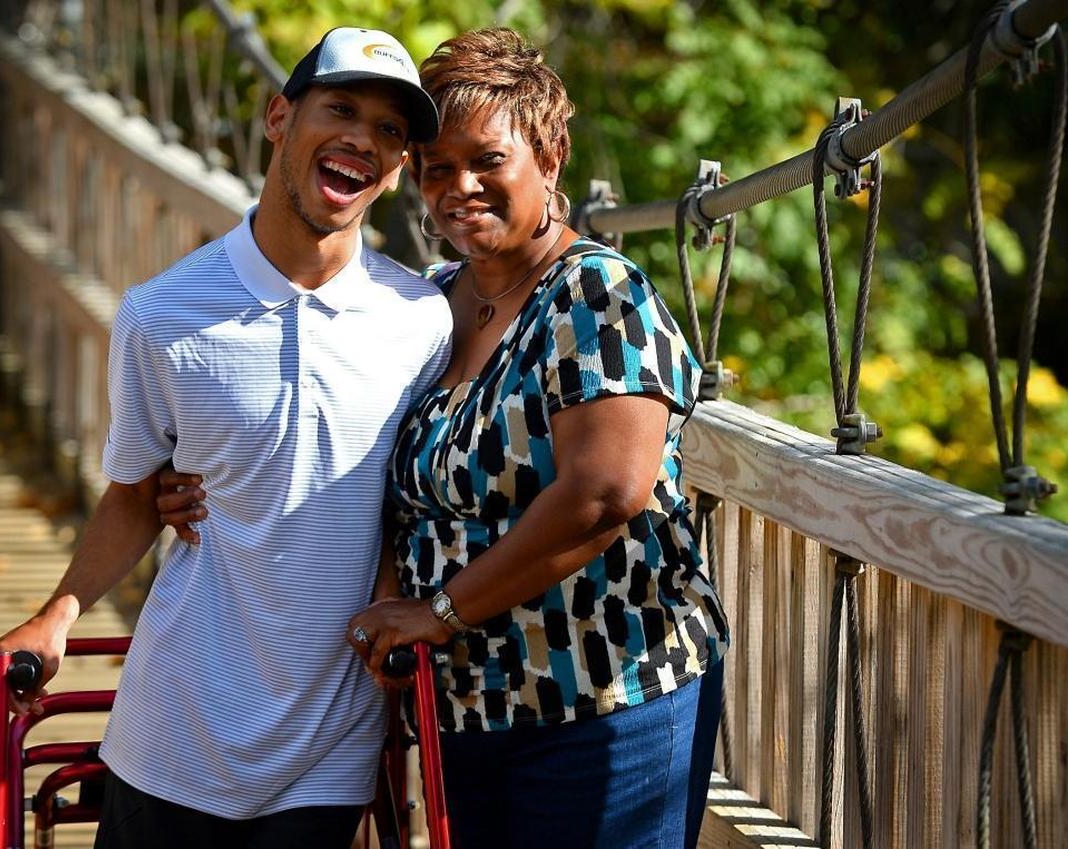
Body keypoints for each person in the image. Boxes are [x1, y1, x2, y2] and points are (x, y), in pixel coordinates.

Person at [164, 27, 729, 849]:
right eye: (435, 169)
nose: (459, 186)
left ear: (551, 157)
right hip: (465, 705)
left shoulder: (598, 293)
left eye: (487, 161)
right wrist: (185, 480)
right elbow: (342, 441)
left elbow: (606, 493)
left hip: (608, 697)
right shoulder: (426, 304)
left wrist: (441, 608)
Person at [0, 26, 451, 849]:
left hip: (329, 740)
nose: (362, 139)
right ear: (278, 119)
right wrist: (55, 613)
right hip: (172, 731)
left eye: (390, 130)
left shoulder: (422, 320)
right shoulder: (161, 314)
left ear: (400, 168)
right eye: (339, 108)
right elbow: (135, 495)